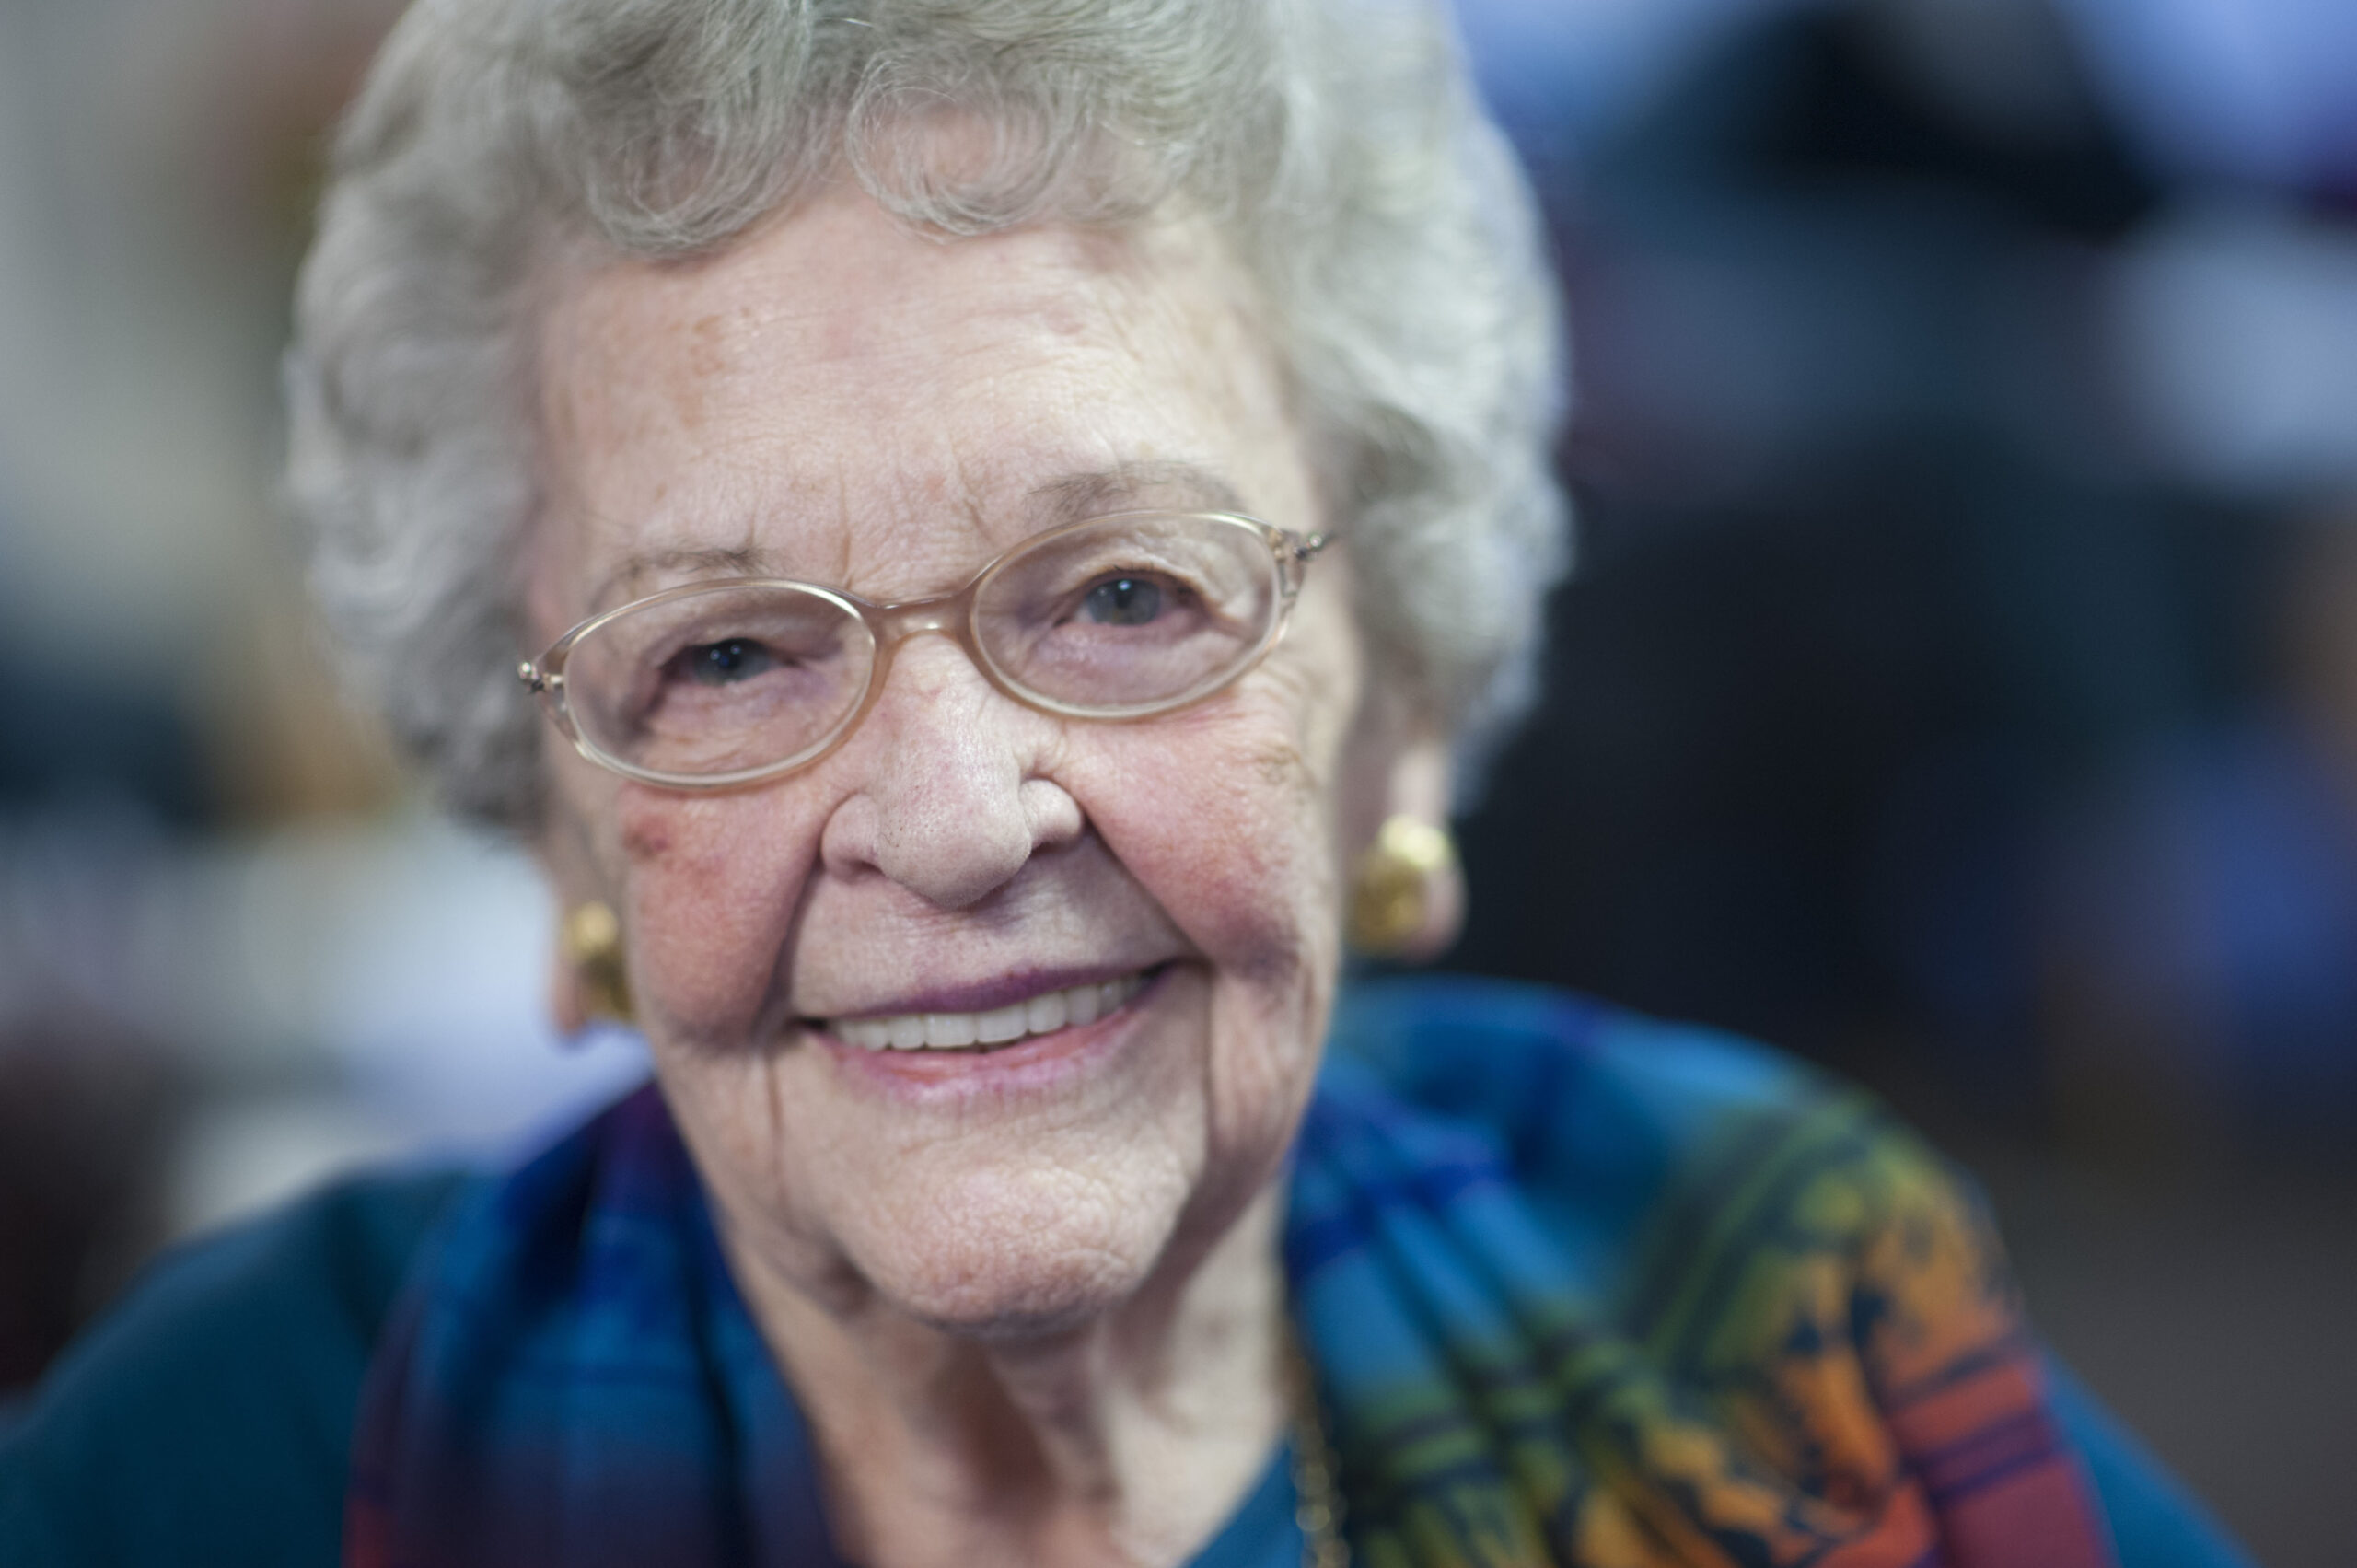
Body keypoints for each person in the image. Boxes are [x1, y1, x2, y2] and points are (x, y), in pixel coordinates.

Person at [0, 1, 2252, 1564]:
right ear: (562, 823)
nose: (961, 816)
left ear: (1406, 703)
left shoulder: (1753, 1292)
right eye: (725, 651)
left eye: (1120, 598)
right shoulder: (238, 1466)